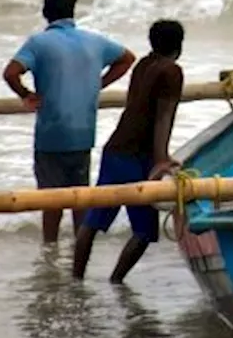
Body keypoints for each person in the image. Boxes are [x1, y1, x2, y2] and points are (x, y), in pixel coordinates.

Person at [3, 0, 135, 243]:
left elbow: (10, 73)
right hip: (83, 133)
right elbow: (127, 58)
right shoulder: (95, 41)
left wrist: (26, 94)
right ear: (73, 10)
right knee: (80, 199)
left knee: (51, 202)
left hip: (52, 134)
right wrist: (98, 83)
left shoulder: (39, 43)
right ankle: (79, 252)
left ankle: (50, 251)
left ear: (45, 11)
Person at [74, 20, 186, 283]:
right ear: (179, 45)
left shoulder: (143, 65)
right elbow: (163, 116)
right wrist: (161, 159)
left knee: (93, 221)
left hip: (115, 150)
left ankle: (76, 280)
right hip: (138, 156)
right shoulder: (172, 71)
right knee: (145, 230)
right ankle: (116, 281)